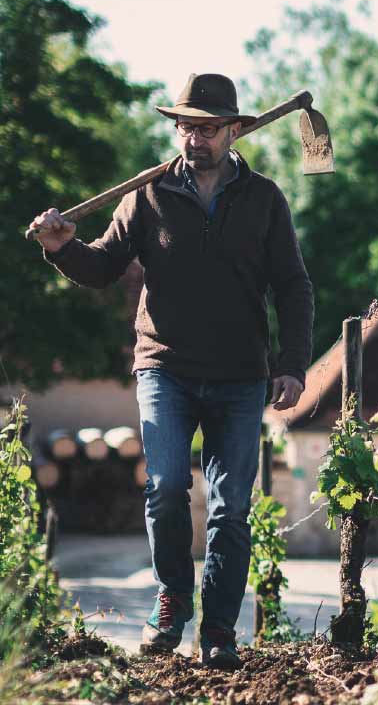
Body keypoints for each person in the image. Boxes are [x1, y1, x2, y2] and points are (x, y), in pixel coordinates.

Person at [30, 72, 314, 670]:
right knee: (163, 488)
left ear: (233, 131)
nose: (194, 139)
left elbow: (292, 286)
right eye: (186, 127)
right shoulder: (147, 196)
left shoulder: (263, 199)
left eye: (207, 129)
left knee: (230, 507)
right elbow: (102, 267)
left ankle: (219, 630)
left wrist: (291, 365)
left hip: (240, 375)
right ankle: (172, 600)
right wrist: (62, 249)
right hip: (165, 368)